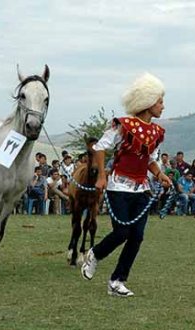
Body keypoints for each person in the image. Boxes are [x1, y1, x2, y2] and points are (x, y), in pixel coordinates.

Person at [81, 73, 171, 297]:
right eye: (159, 101)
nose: (163, 106)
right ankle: (95, 254)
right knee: (121, 233)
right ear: (148, 102)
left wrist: (160, 174)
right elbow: (100, 147)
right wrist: (102, 176)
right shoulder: (123, 126)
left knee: (137, 236)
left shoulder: (156, 132)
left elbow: (150, 159)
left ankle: (117, 280)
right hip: (118, 187)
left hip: (141, 189)